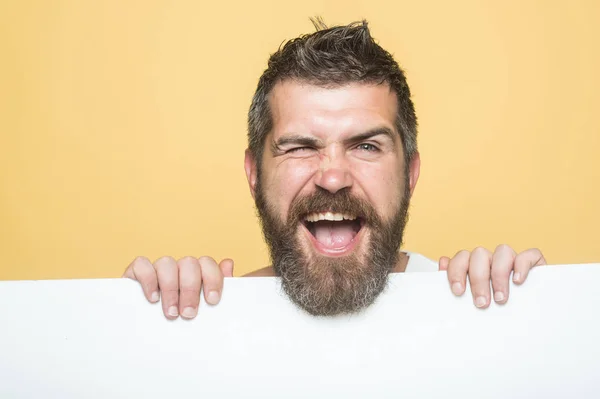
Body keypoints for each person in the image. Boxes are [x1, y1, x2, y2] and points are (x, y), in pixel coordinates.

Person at [123, 19, 546, 318]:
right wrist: (138, 321)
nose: (332, 176)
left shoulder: (478, 311)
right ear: (254, 174)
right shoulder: (208, 320)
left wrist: (536, 312)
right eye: (301, 148)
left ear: (410, 174)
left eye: (365, 145)